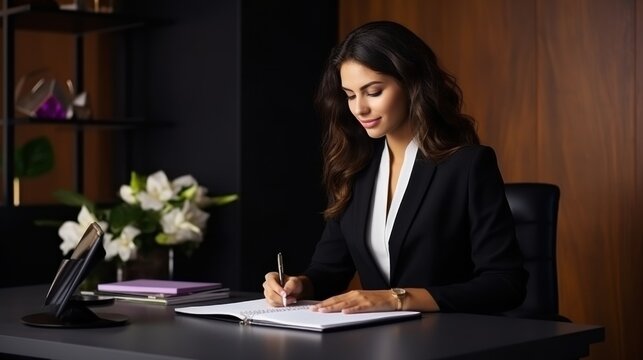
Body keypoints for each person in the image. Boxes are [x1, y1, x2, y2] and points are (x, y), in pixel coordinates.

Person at [262, 20, 527, 315]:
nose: (359, 108)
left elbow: (505, 284)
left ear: (411, 84)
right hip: (378, 341)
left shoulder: (466, 165)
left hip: (453, 339)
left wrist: (396, 298)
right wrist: (299, 285)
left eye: (373, 92)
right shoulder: (356, 168)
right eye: (350, 95)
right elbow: (328, 271)